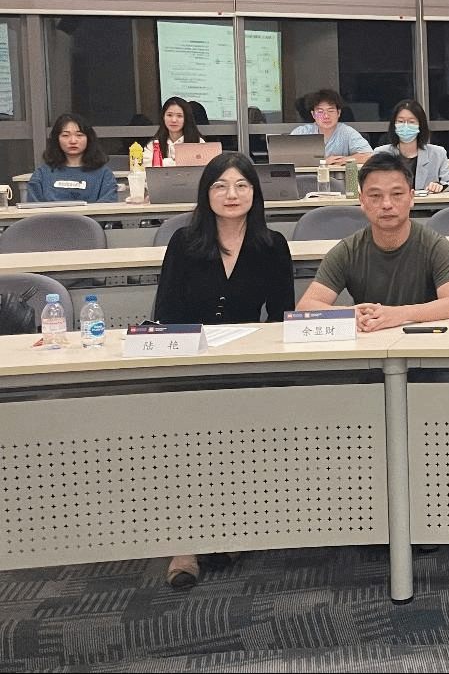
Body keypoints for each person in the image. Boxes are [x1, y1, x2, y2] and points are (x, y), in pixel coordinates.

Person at [153, 151, 295, 588]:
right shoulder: (183, 243)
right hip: (190, 363)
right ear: (206, 194)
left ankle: (229, 527)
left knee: (238, 443)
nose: (231, 195)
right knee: (186, 444)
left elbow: (282, 316)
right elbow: (166, 313)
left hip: (246, 364)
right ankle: (184, 545)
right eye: (220, 186)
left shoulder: (272, 245)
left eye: (241, 185)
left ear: (255, 193)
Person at [296, 153, 449, 331]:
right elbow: (305, 307)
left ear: (411, 198)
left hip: (423, 340)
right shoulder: (348, 250)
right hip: (368, 340)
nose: (386, 204)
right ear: (362, 201)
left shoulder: (434, 246)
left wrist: (400, 314)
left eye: (397, 194)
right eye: (375, 196)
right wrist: (347, 314)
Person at [26, 113, 117, 203]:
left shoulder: (104, 174)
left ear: (89, 138)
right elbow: (33, 207)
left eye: (79, 135)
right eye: (65, 135)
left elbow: (107, 207)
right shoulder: (42, 173)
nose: (73, 141)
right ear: (56, 139)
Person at [373, 99, 449, 194]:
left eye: (411, 122)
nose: (405, 126)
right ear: (394, 125)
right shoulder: (381, 153)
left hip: (427, 204)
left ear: (420, 125)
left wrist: (440, 186)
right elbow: (371, 184)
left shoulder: (437, 153)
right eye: (400, 121)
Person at [289, 88, 373, 167]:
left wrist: (346, 160)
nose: (326, 116)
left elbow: (369, 156)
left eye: (331, 111)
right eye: (320, 112)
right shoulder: (301, 132)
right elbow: (286, 159)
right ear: (313, 114)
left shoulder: (347, 132)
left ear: (338, 113)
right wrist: (324, 162)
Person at [144, 96, 206, 166]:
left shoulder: (198, 142)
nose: (174, 120)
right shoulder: (155, 144)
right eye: (169, 115)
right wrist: (171, 162)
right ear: (163, 117)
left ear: (186, 119)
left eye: (179, 116)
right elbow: (146, 164)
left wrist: (164, 162)